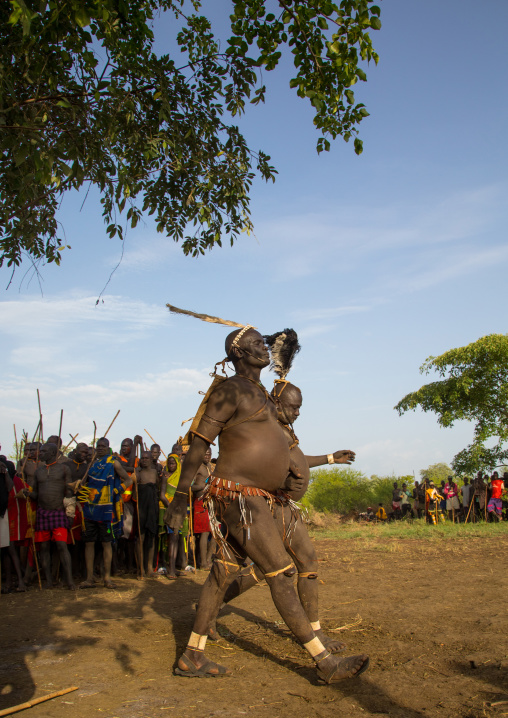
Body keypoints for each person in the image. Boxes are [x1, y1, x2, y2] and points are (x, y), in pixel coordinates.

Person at [166, 326, 368, 683]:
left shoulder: (260, 394)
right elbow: (199, 443)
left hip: (254, 498)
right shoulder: (230, 390)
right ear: (238, 353)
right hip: (240, 497)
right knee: (282, 572)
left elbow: (285, 449)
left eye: (265, 343)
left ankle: (192, 656)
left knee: (223, 572)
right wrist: (180, 496)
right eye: (257, 344)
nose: (265, 348)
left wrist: (328, 458)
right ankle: (324, 663)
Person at [207, 381, 355, 654]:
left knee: (299, 563)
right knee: (266, 568)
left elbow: (299, 459)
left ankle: (315, 630)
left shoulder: (281, 430)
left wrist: (331, 458)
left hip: (286, 507)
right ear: (277, 402)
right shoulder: (263, 429)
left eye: (300, 408)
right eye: (294, 407)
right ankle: (208, 614)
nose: (298, 413)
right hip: (266, 504)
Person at [78, 437, 132, 589]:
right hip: (90, 509)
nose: (100, 448)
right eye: (98, 446)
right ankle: (89, 579)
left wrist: (116, 490)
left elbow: (128, 481)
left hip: (107, 511)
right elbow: (86, 485)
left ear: (108, 448)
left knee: (106, 543)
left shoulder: (112, 463)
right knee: (89, 543)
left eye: (103, 446)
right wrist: (80, 487)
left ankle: (107, 578)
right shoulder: (92, 465)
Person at [23, 443, 75, 589]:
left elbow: (70, 492)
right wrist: (28, 493)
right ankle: (49, 581)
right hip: (42, 512)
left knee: (61, 545)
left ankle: (69, 581)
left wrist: (70, 514)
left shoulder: (64, 469)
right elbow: (36, 494)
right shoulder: (38, 471)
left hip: (58, 512)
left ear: (52, 452)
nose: (41, 453)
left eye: (44, 451)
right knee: (44, 548)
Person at [134, 450, 159, 577]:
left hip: (152, 508)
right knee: (140, 538)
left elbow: (158, 490)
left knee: (151, 537)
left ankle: (149, 568)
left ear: (151, 460)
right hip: (141, 508)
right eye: (142, 458)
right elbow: (134, 493)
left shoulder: (155, 473)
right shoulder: (138, 473)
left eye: (146, 458)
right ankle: (140, 569)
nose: (144, 460)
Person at [191, 448, 215, 570]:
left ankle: (208, 559)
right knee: (204, 533)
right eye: (205, 454)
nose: (207, 456)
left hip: (210, 501)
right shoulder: (198, 467)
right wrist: (201, 486)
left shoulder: (210, 467)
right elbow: (191, 486)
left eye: (209, 454)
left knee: (214, 532)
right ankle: (203, 563)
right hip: (200, 501)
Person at [160, 452, 182, 579]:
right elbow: (162, 495)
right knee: (171, 540)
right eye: (169, 463)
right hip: (168, 510)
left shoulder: (180, 477)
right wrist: (171, 507)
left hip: (178, 511)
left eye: (173, 463)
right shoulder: (165, 476)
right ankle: (171, 569)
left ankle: (174, 567)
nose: (171, 465)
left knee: (177, 538)